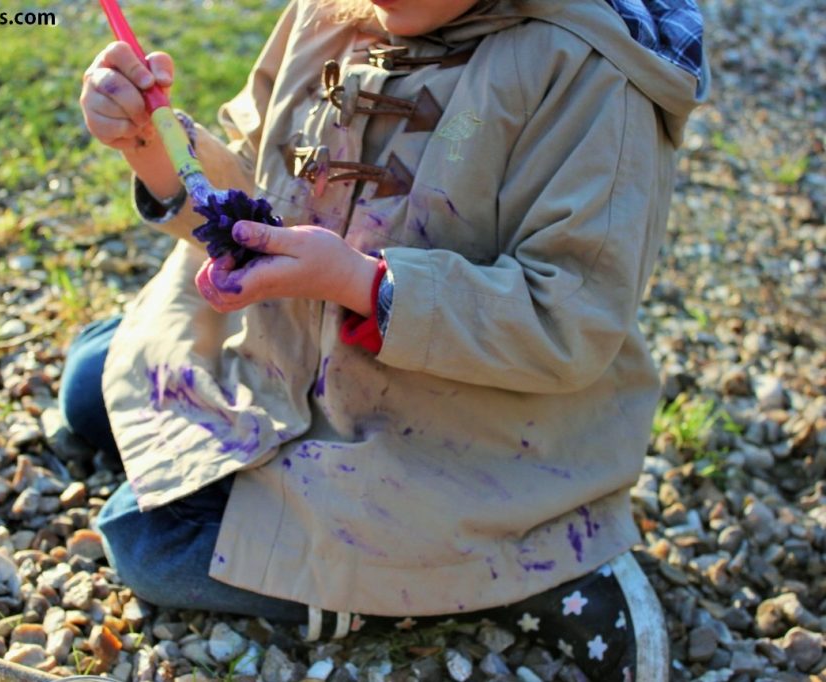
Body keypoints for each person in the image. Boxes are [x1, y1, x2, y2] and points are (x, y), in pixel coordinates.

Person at [65, 1, 708, 679]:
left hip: (449, 429)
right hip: (286, 348)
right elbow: (255, 186)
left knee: (145, 539)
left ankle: (530, 567)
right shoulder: (330, 13)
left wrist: (364, 285)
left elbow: (565, 320)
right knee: (89, 385)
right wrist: (155, 147)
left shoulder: (591, 78)